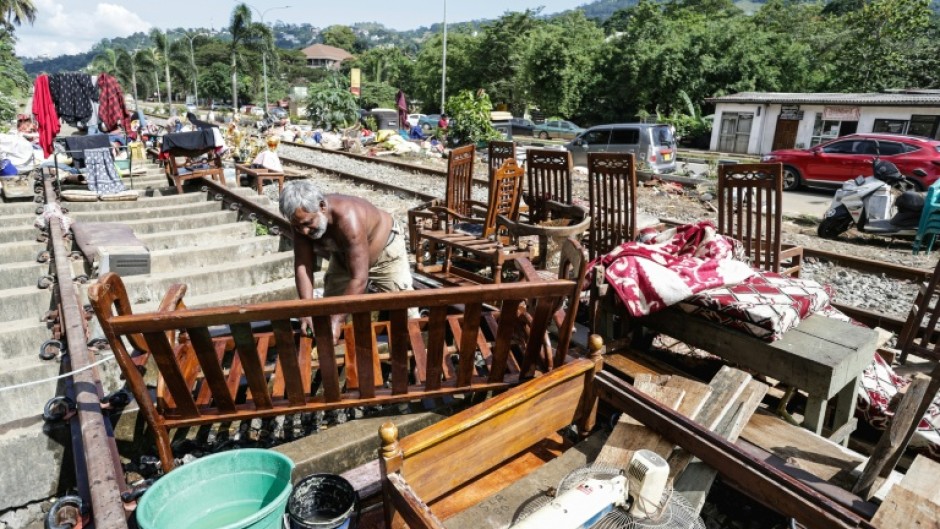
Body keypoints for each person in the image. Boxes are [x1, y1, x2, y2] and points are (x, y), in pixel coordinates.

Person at [279, 180, 413, 343]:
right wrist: (306, 310)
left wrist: (337, 320)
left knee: (406, 308)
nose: (304, 231)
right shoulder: (300, 220)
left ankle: (421, 354)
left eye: (308, 224)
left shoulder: (348, 218)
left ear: (322, 207)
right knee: (330, 309)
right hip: (344, 255)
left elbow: (359, 278)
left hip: (386, 253)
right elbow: (303, 266)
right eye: (298, 227)